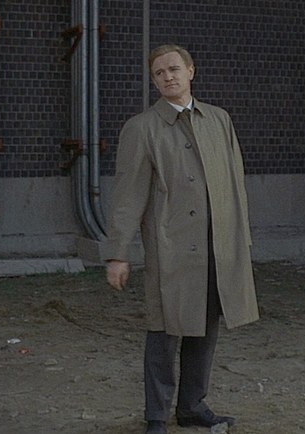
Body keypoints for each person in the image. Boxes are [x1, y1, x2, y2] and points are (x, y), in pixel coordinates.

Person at [103, 44, 259, 434]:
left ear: (191, 71)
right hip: (170, 246)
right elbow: (128, 196)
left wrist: (240, 240)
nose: (167, 77)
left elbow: (235, 183)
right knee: (165, 330)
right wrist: (118, 254)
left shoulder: (219, 120)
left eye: (174, 69)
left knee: (205, 327)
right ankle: (156, 416)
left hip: (216, 244)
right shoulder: (142, 128)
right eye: (159, 73)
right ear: (153, 81)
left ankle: (192, 407)